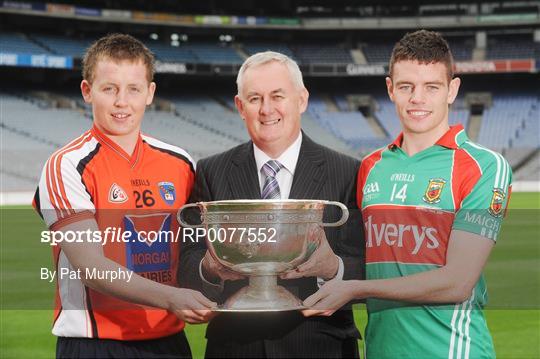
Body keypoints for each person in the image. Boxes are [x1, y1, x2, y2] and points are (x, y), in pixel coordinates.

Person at [303, 30, 512, 359]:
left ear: (451, 90)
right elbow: (367, 263)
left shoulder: (484, 166)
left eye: (432, 86)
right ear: (390, 89)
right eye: (406, 87)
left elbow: (457, 282)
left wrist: (358, 288)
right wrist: (332, 267)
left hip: (451, 351)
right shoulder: (370, 167)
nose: (418, 98)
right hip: (381, 350)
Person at [32, 33, 215, 358]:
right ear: (88, 91)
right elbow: (91, 267)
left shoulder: (180, 162)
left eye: (133, 88)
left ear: (150, 93)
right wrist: (171, 298)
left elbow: (197, 246)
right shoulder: (66, 165)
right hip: (96, 343)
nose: (122, 101)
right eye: (109, 88)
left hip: (169, 342)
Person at [178, 51, 365, 358]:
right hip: (235, 348)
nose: (267, 110)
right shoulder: (211, 171)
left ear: (301, 100)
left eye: (278, 96)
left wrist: (334, 268)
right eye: (254, 98)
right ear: (240, 106)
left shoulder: (347, 171)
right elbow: (186, 266)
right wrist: (208, 269)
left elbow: (370, 266)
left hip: (321, 347)